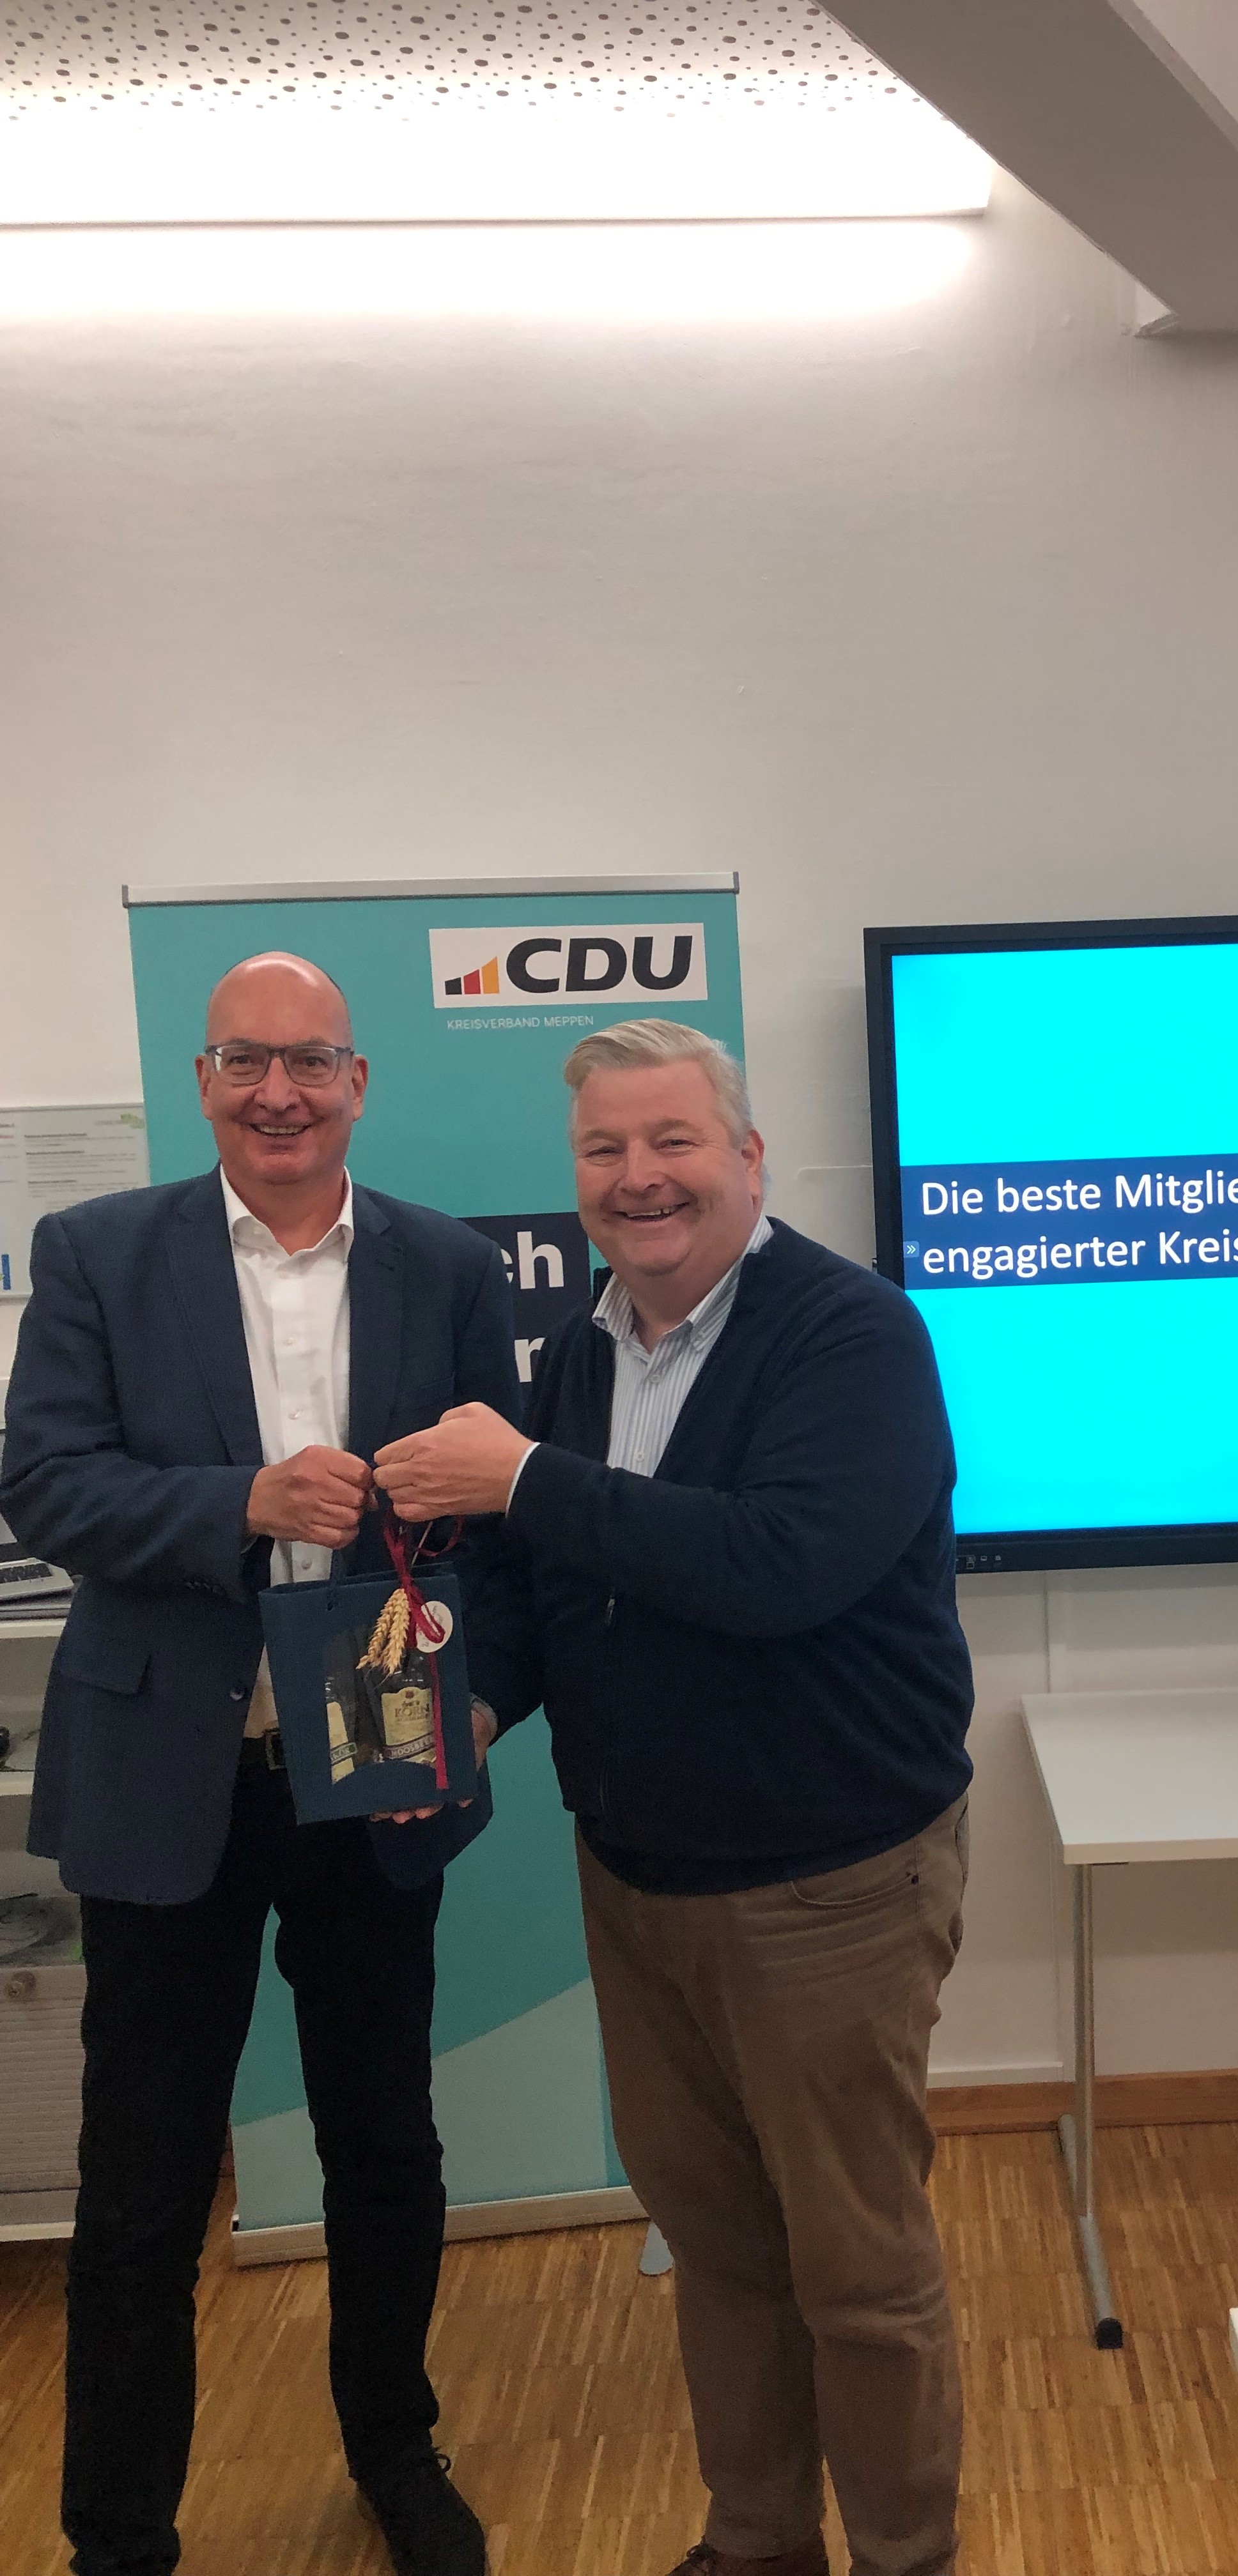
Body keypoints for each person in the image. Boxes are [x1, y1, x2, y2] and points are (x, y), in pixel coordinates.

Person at [373, 1018, 975, 2576]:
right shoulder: (585, 1353)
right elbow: (550, 1584)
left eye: (672, 1141)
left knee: (857, 2269)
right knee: (716, 2245)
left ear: (749, 1158)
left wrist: (522, 1477)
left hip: (828, 1885)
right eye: (605, 1150)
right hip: (638, 1877)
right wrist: (472, 1707)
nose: (639, 1177)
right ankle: (758, 2541)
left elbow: (778, 1566)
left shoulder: (854, 1336)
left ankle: (904, 2556)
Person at [0, 953, 518, 2576]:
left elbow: (505, 1516)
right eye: (245, 1061)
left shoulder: (446, 1264)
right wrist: (239, 1502)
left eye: (307, 1062)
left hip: (374, 1761)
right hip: (175, 1775)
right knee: (141, 2186)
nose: (276, 1093)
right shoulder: (96, 1251)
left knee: (386, 2146)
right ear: (204, 1079)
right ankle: (119, 2533)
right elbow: (45, 1485)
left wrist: (477, 1706)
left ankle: (397, 2452)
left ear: (358, 1081)